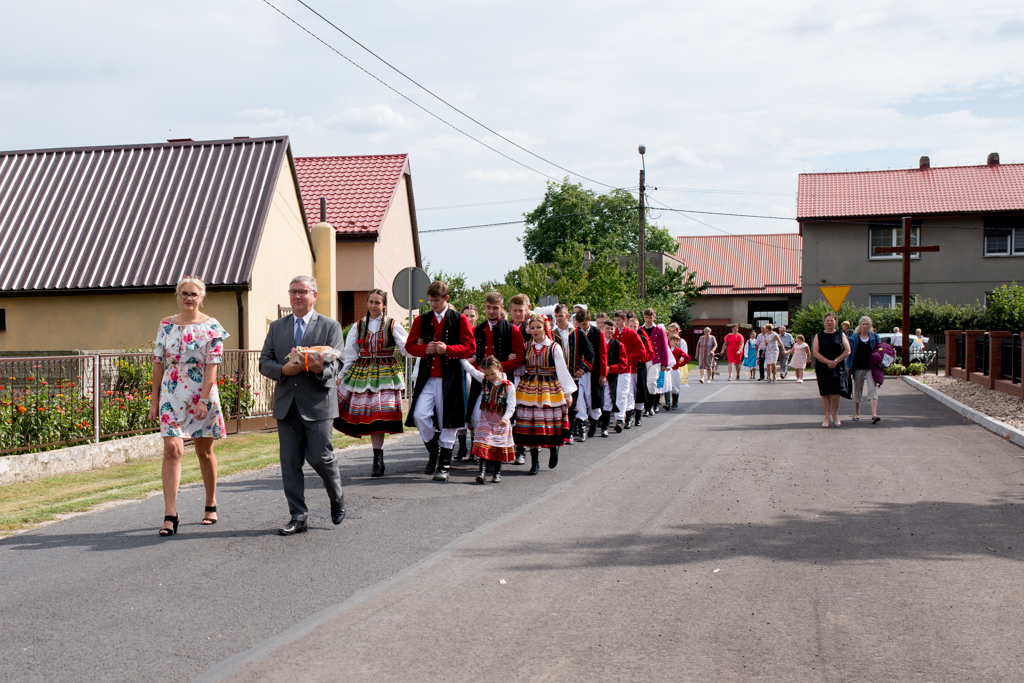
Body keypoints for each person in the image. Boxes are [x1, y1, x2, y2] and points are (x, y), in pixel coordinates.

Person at [259, 275, 346, 535]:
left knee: (320, 457)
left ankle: (336, 496)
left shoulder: (330, 326)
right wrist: (283, 369)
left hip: (318, 404)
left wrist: (320, 369)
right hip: (287, 405)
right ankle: (298, 516)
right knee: (290, 463)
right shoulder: (277, 327)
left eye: (303, 292)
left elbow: (337, 364)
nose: (297, 296)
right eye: (293, 292)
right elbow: (264, 361)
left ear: (314, 295)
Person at [149, 276, 229, 536]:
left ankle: (211, 502)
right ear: (177, 295)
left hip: (201, 395)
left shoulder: (212, 327)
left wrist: (204, 400)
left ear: (201, 297)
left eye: (193, 294)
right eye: (184, 293)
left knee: (204, 452)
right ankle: (170, 515)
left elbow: (211, 366)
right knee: (173, 450)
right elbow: (158, 363)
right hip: (171, 396)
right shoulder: (165, 325)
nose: (188, 298)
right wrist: (154, 401)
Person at [405, 280, 477, 482]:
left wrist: (449, 350)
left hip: (451, 377)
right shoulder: (422, 319)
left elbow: (470, 347)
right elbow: (410, 346)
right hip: (428, 377)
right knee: (420, 415)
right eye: (430, 301)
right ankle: (434, 452)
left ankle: (444, 466)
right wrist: (424, 349)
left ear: (446, 298)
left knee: (449, 421)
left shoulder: (459, 319)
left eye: (436, 300)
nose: (433, 304)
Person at [334, 289, 408, 478]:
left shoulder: (392, 325)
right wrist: (341, 376)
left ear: (384, 305)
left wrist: (421, 347)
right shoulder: (358, 326)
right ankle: (377, 458)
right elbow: (349, 356)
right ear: (367, 303)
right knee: (367, 416)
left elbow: (407, 348)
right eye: (371, 302)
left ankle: (378, 460)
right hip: (363, 375)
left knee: (379, 416)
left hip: (386, 375)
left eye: (378, 302)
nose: (374, 306)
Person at [462, 292, 525, 462]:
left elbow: (520, 357)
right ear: (484, 307)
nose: (491, 311)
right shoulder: (476, 330)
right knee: (476, 416)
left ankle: (515, 450)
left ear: (502, 308)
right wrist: (480, 371)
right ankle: (482, 448)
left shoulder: (512, 329)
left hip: (502, 380)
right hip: (481, 381)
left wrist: (497, 371)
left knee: (507, 418)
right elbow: (471, 353)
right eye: (488, 307)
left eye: (495, 308)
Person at [514, 315, 577, 474]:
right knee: (531, 426)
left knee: (549, 422)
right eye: (532, 327)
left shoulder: (554, 347)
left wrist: (567, 393)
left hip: (549, 389)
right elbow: (521, 368)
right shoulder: (526, 346)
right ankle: (534, 463)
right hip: (528, 388)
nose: (535, 331)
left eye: (538, 327)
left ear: (545, 328)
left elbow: (562, 370)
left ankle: (553, 448)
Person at [462, 356, 516, 483]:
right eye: (487, 374)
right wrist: (461, 357)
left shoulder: (508, 386)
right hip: (485, 419)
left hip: (500, 421)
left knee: (497, 446)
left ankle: (497, 472)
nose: (491, 377)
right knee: (483, 443)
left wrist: (506, 418)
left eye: (493, 374)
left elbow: (511, 405)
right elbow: (471, 370)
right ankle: (481, 472)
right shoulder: (485, 380)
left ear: (499, 368)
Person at [552, 303, 594, 443]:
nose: (558, 319)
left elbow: (590, 354)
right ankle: (559, 432)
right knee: (557, 405)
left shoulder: (577, 332)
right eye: (556, 316)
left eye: (561, 316)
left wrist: (582, 369)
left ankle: (569, 433)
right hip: (556, 377)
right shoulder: (552, 334)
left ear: (567, 316)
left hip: (572, 377)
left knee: (571, 405)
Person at [813, 311, 851, 428]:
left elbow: (847, 350)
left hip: (838, 367)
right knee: (825, 392)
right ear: (824, 322)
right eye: (827, 320)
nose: (830, 322)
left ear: (835, 322)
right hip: (823, 366)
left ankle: (835, 414)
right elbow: (815, 352)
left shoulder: (841, 335)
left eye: (832, 320)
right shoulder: (819, 336)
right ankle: (826, 416)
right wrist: (828, 362)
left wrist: (835, 361)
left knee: (836, 391)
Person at [575, 307, 608, 439]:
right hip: (578, 372)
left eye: (584, 324)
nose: (582, 327)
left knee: (592, 398)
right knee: (579, 399)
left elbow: (602, 354)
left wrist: (603, 374)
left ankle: (594, 422)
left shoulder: (597, 333)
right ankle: (581, 426)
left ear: (589, 320)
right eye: (580, 324)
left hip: (592, 371)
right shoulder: (575, 332)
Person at [611, 311, 644, 431]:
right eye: (615, 320)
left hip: (625, 369)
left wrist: (627, 361)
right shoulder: (612, 333)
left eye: (619, 320)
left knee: (624, 393)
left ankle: (623, 418)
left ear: (625, 320)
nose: (616, 322)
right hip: (613, 369)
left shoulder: (631, 334)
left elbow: (641, 351)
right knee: (613, 393)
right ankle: (617, 417)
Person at [847, 316, 881, 423]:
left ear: (870, 326)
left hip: (871, 368)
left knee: (872, 389)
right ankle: (857, 413)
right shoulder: (854, 338)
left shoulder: (874, 337)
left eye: (867, 324)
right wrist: (847, 367)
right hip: (858, 367)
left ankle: (874, 414)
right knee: (858, 390)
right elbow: (849, 354)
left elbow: (880, 351)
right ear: (860, 325)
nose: (865, 326)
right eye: (863, 324)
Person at [641, 309, 673, 413]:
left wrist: (665, 363)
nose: (648, 319)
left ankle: (651, 406)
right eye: (646, 317)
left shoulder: (659, 330)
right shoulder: (640, 329)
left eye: (650, 317)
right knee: (644, 383)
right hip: (643, 359)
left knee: (651, 382)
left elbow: (664, 346)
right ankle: (645, 406)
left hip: (655, 360)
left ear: (654, 317)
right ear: (644, 317)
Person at [627, 314, 654, 425]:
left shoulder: (642, 338)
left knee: (640, 393)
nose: (633, 328)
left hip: (639, 369)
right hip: (627, 369)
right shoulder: (625, 337)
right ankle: (628, 417)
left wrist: (641, 359)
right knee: (628, 393)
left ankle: (638, 416)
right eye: (631, 326)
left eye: (635, 326)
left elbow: (651, 353)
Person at [600, 318, 621, 436]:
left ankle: (605, 427)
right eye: (607, 328)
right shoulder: (597, 342)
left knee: (608, 401)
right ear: (602, 329)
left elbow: (623, 364)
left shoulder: (618, 345)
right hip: (597, 377)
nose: (609, 330)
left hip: (610, 378)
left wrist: (610, 369)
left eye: (611, 328)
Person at [668, 334, 690, 409]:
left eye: (677, 341)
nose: (675, 342)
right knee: (667, 387)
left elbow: (687, 358)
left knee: (675, 387)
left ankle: (675, 403)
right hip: (667, 370)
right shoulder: (667, 348)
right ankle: (667, 403)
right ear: (670, 341)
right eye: (673, 340)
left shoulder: (679, 350)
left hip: (675, 370)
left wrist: (680, 364)